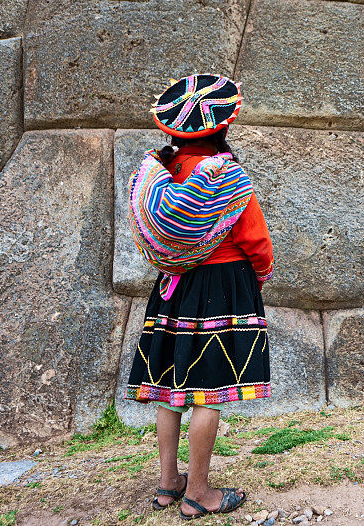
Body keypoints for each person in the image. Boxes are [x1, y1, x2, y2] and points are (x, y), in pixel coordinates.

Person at [123, 74, 274, 520]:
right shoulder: (228, 177)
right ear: (223, 129)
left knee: (170, 388)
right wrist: (259, 276)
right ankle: (201, 493)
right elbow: (256, 242)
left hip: (174, 286)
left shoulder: (158, 174)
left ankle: (170, 483)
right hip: (222, 284)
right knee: (210, 390)